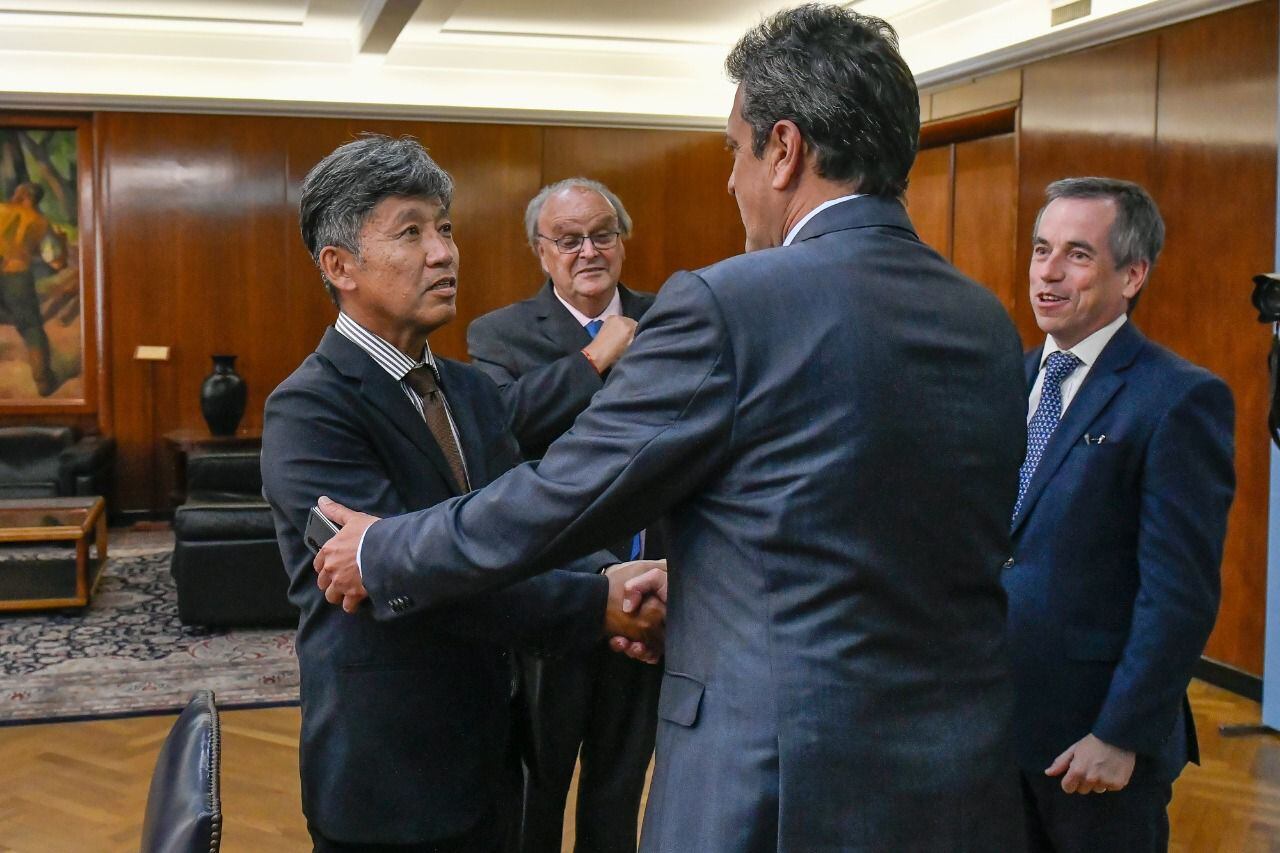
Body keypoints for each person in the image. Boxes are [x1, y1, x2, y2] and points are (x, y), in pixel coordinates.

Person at [314, 6, 1029, 850]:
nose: (730, 180)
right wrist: (695, 575)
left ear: (785, 149)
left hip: (774, 778)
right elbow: (860, 532)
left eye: (734, 149)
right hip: (959, 771)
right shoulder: (985, 318)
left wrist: (384, 550)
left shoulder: (734, 303)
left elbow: (567, 491)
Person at [260, 134, 663, 852]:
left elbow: (520, 534)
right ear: (339, 265)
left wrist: (611, 576)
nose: (443, 252)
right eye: (409, 232)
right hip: (390, 776)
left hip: (491, 756)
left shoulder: (472, 392)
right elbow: (417, 582)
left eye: (443, 227)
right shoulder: (310, 411)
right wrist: (598, 604)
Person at [1005, 177, 1235, 852]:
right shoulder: (1006, 379)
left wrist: (1119, 733)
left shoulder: (1179, 398)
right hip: (998, 732)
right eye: (1042, 248)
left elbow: (1180, 593)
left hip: (1097, 750)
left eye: (1077, 254)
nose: (1047, 272)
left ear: (1132, 274)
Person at [467, 178, 661, 853]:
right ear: (540, 252)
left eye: (602, 233)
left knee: (618, 789)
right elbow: (504, 426)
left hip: (648, 596)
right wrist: (596, 355)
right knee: (538, 797)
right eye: (568, 239)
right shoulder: (500, 333)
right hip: (556, 593)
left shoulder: (671, 317)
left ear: (622, 239)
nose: (588, 251)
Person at [0, 182, 65, 396]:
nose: (14, 193)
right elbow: (55, 262)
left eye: (17, 191)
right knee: (31, 327)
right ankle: (43, 380)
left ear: (23, 194)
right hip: (17, 274)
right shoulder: (41, 223)